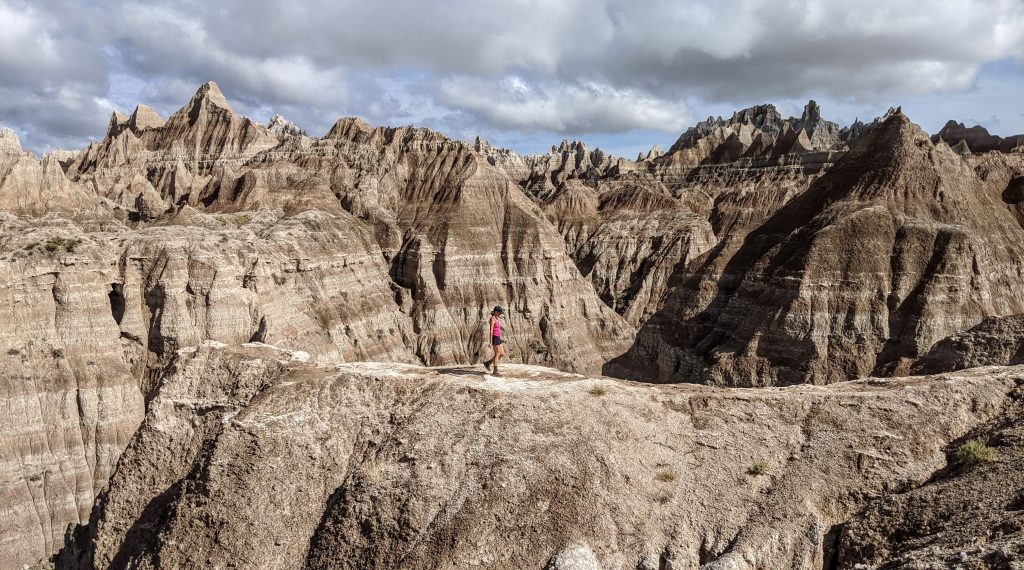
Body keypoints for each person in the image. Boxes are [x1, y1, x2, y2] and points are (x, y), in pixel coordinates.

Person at [483, 305, 505, 375]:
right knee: (498, 354)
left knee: (502, 354)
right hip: (495, 337)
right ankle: (495, 372)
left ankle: (488, 363)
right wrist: (490, 342)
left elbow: (497, 327)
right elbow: (491, 331)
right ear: (495, 312)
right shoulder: (492, 319)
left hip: (498, 337)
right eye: (499, 312)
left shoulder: (497, 318)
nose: (500, 314)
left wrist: (501, 328)